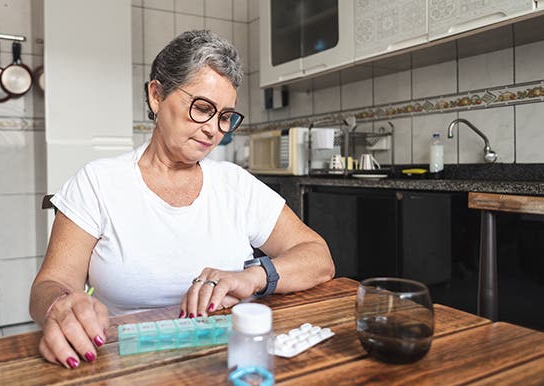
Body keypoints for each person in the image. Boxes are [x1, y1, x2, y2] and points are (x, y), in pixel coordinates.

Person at [29, 30, 335, 369]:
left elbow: (318, 257)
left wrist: (253, 276)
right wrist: (62, 305)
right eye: (202, 108)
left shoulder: (235, 185)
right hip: (125, 364)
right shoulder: (98, 183)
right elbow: (50, 283)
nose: (214, 130)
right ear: (157, 95)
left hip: (223, 365)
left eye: (224, 117)